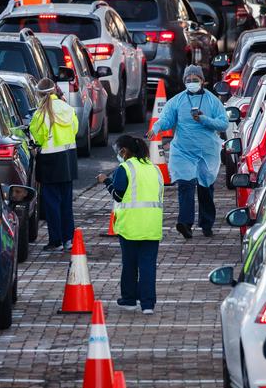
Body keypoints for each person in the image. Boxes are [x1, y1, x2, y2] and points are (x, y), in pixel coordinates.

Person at [146, 65, 228, 238]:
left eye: (195, 80)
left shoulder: (213, 101)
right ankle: (185, 223)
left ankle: (207, 224)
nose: (192, 82)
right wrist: (156, 127)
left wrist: (204, 119)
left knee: (205, 187)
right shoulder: (177, 101)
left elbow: (223, 123)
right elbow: (166, 119)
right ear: (184, 81)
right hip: (183, 151)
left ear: (202, 81)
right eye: (188, 80)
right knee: (185, 185)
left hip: (207, 153)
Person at [97, 135, 163, 315]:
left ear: (124, 151)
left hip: (131, 226)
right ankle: (148, 304)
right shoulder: (154, 169)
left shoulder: (125, 168)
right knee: (148, 265)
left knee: (130, 264)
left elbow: (118, 195)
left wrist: (106, 181)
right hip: (152, 225)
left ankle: (129, 299)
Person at [29, 78, 79, 252]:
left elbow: (37, 136)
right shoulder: (68, 108)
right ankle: (68, 239)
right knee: (66, 203)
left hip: (49, 162)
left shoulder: (40, 114)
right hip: (68, 160)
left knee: (52, 204)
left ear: (40, 94)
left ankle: (55, 241)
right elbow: (75, 129)